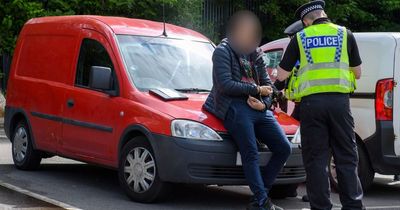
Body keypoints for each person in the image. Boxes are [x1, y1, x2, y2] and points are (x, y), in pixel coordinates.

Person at [276, 1, 365, 209]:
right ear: (323, 14)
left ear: (306, 21)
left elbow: (282, 75)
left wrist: (276, 87)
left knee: (316, 158)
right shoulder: (345, 34)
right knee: (346, 155)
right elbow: (358, 73)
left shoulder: (300, 37)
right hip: (340, 104)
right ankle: (353, 205)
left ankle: (321, 206)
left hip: (311, 105)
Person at [203, 10, 291, 210]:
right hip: (233, 105)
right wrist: (256, 89)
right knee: (250, 151)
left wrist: (265, 104)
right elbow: (225, 84)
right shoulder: (222, 51)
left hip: (258, 107)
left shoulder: (255, 52)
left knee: (283, 147)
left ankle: (260, 196)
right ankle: (262, 202)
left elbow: (268, 84)